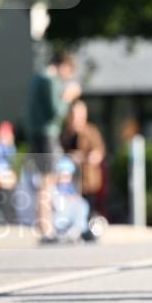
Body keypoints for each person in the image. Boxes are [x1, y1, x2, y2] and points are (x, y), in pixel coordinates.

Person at [25, 50, 81, 242]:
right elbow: (56, 112)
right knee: (47, 181)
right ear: (64, 65)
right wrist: (67, 96)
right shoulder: (50, 80)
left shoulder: (37, 78)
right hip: (46, 135)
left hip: (37, 134)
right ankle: (45, 227)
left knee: (45, 181)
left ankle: (45, 226)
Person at [60, 99, 106, 240]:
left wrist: (83, 157)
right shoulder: (65, 134)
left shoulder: (90, 132)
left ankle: (89, 232)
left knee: (88, 207)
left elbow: (98, 153)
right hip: (71, 181)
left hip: (87, 180)